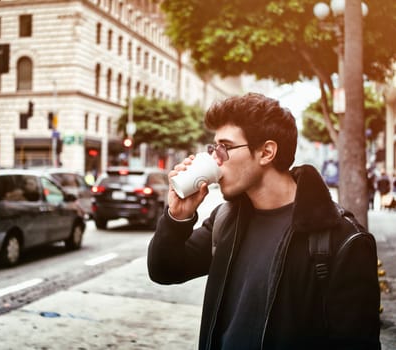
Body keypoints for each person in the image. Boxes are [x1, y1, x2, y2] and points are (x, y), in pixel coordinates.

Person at [147, 93, 380, 349]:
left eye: (224, 148)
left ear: (266, 152)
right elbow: (165, 270)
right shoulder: (226, 220)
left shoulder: (343, 240)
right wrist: (177, 217)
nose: (215, 159)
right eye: (213, 149)